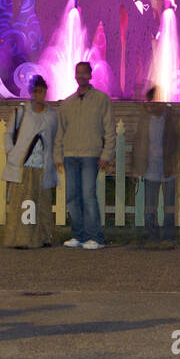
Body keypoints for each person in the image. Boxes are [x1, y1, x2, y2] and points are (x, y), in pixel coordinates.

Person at [53, 62, 115, 250]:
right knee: (72, 196)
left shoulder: (101, 100)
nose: (80, 76)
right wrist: (58, 155)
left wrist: (107, 153)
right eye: (77, 73)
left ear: (90, 75)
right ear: (75, 76)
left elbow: (109, 128)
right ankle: (77, 235)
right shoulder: (67, 103)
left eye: (84, 73)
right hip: (70, 154)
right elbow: (60, 132)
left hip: (90, 154)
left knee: (88, 195)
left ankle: (95, 236)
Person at [2, 76, 59, 249]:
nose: (40, 95)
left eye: (42, 91)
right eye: (36, 91)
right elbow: (8, 134)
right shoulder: (22, 112)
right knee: (26, 203)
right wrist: (12, 154)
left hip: (43, 166)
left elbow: (56, 138)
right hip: (25, 165)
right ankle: (23, 238)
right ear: (31, 93)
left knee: (42, 204)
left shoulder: (52, 115)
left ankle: (43, 237)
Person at [130, 86, 180, 249]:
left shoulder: (172, 118)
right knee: (149, 207)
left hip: (168, 169)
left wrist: (175, 160)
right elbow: (138, 144)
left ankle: (169, 238)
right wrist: (135, 168)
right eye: (147, 104)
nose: (149, 107)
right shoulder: (145, 120)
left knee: (169, 207)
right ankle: (152, 237)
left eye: (152, 103)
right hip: (150, 170)